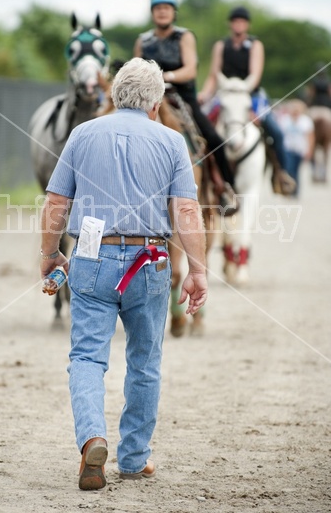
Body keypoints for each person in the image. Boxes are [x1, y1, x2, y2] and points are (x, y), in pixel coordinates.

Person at [39, 58, 208, 490]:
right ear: (155, 103)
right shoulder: (172, 142)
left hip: (92, 259)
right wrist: (197, 269)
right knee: (145, 362)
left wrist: (49, 254)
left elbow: (56, 203)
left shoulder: (82, 134)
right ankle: (133, 459)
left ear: (114, 95)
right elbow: (186, 209)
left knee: (87, 358)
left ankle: (93, 439)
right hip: (149, 264)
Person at [134, 0, 237, 213]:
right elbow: (135, 68)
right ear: (153, 13)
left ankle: (226, 189)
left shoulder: (184, 36)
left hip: (181, 97)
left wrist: (165, 76)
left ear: (174, 13)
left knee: (213, 137)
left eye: (166, 8)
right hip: (149, 97)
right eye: (158, 8)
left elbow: (190, 70)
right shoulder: (143, 40)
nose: (162, 12)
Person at [198, 5, 296, 195]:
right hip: (225, 93)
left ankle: (281, 173)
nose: (238, 24)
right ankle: (202, 168)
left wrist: (243, 93)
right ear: (230, 24)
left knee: (275, 130)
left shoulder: (255, 45)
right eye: (235, 21)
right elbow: (213, 75)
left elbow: (255, 75)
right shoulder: (221, 46)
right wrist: (205, 93)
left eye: (242, 21)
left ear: (247, 24)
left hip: (250, 94)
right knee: (204, 125)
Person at [278, 99, 315, 196]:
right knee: (289, 169)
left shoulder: (306, 121)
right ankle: (290, 188)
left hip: (300, 149)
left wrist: (309, 150)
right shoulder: (285, 120)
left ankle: (295, 190)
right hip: (288, 148)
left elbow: (310, 136)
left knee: (297, 170)